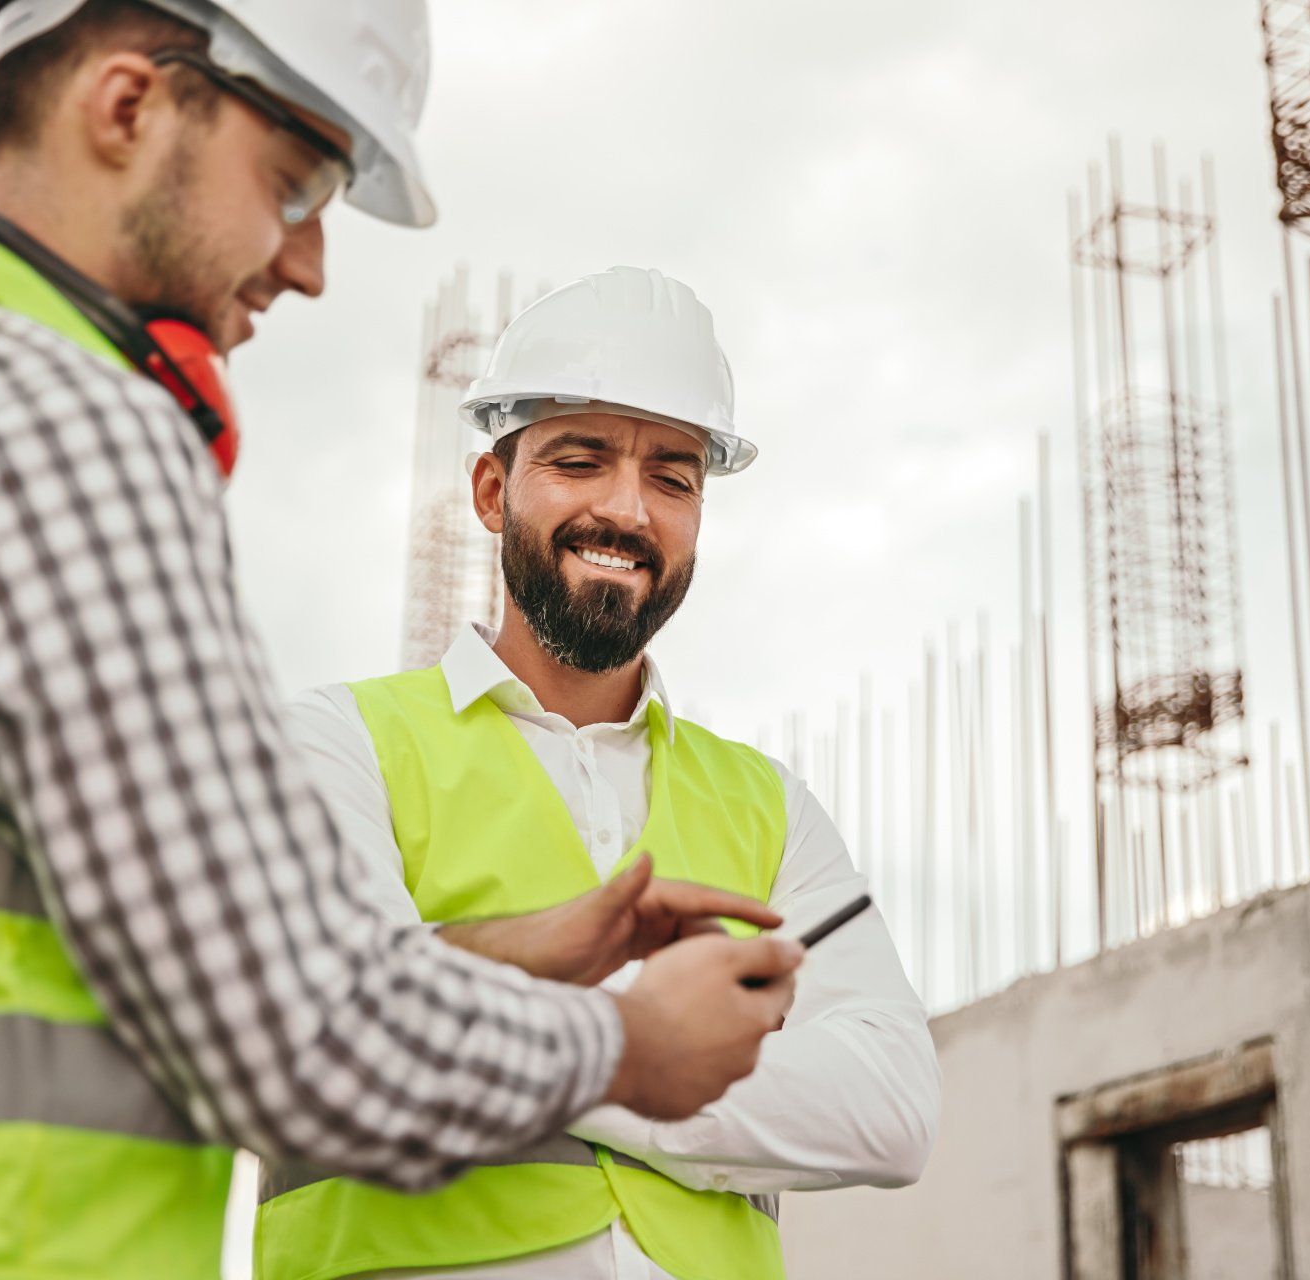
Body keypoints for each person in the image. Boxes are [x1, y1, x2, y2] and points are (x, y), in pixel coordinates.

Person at [0, 7, 802, 1278]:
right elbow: (288, 1032)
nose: (311, 263)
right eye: (295, 185)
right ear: (126, 108)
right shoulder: (47, 419)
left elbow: (110, 946)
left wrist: (514, 952)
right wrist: (624, 1046)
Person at [264, 266, 941, 1280]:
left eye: (673, 477)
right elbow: (337, 1026)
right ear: (493, 492)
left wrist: (486, 1022)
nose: (628, 510)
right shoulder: (336, 744)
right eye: (581, 461)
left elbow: (890, 1108)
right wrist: (647, 1042)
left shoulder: (770, 806)